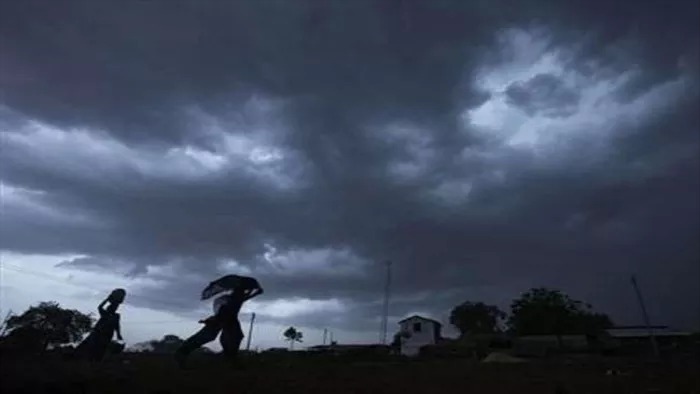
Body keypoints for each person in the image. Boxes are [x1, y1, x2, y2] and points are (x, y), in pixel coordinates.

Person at [176, 276, 263, 367]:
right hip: (224, 319)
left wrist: (254, 293)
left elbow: (242, 299)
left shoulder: (235, 296)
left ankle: (231, 358)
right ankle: (182, 353)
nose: (247, 291)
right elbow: (236, 302)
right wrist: (213, 320)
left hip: (227, 319)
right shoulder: (234, 297)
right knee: (209, 336)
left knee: (233, 337)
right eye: (247, 289)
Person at [76, 288, 126, 361]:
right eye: (111, 306)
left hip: (107, 333)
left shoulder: (115, 316)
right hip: (98, 332)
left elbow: (117, 326)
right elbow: (100, 307)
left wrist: (118, 334)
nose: (113, 308)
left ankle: (94, 361)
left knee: (101, 349)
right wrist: (107, 299)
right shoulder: (105, 313)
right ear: (108, 307)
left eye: (115, 307)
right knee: (90, 346)